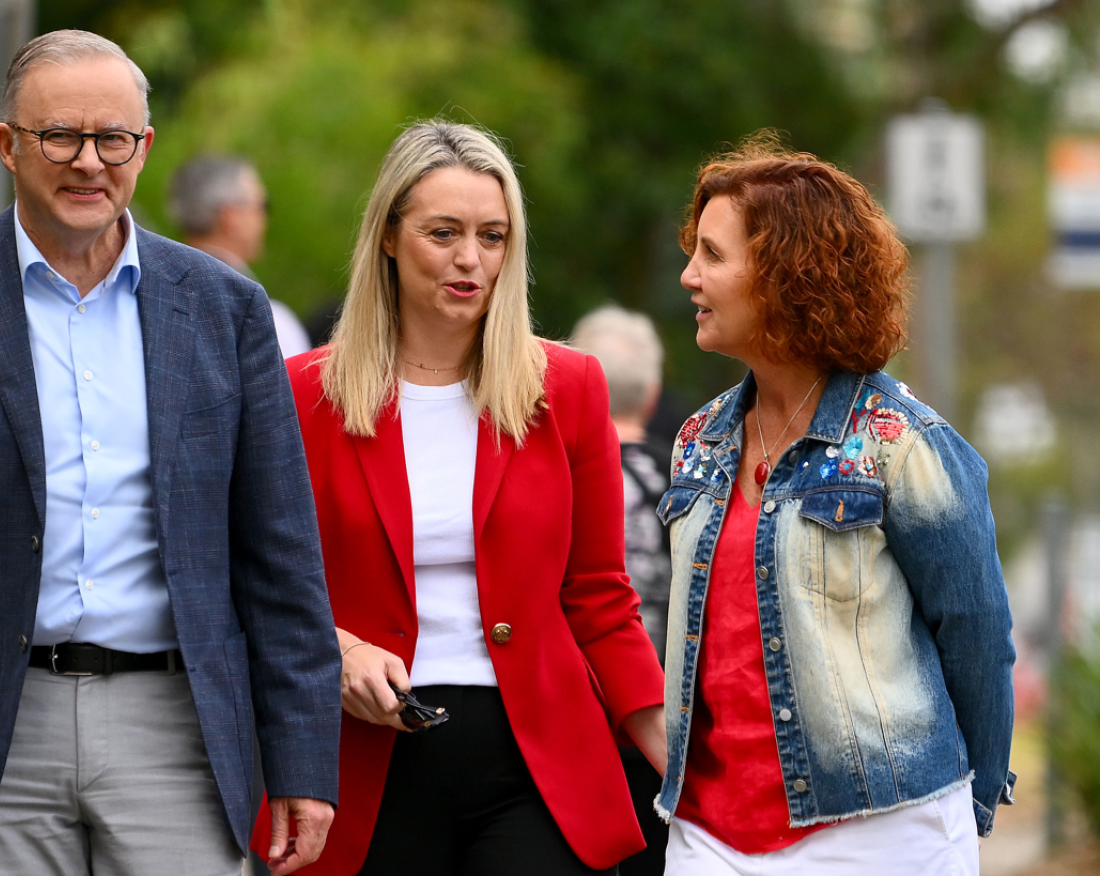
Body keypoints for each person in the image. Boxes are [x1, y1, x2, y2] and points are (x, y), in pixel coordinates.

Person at [0, 30, 340, 876]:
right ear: (8, 147)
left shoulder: (226, 310)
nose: (88, 161)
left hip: (181, 733)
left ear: (144, 147)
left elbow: (280, 552)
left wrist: (304, 762)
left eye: (114, 139)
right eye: (59, 136)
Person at [250, 120, 670, 876]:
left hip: (534, 764)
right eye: (443, 233)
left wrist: (678, 755)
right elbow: (267, 584)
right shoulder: (303, 395)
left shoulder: (568, 390)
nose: (470, 260)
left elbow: (602, 596)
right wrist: (339, 651)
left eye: (493, 236)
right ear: (388, 235)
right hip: (361, 763)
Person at [657, 133, 1015, 875]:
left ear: (789, 276)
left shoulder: (900, 441)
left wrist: (966, 810)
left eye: (714, 257)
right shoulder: (698, 440)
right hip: (708, 833)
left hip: (880, 831)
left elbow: (978, 633)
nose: (689, 276)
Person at [570, 304, 671, 876]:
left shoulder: (554, 478)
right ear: (652, 396)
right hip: (673, 729)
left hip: (578, 733)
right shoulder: (689, 480)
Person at [168, 154, 312, 357]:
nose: (265, 218)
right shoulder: (269, 320)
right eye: (263, 206)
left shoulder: (151, 302)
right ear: (231, 217)